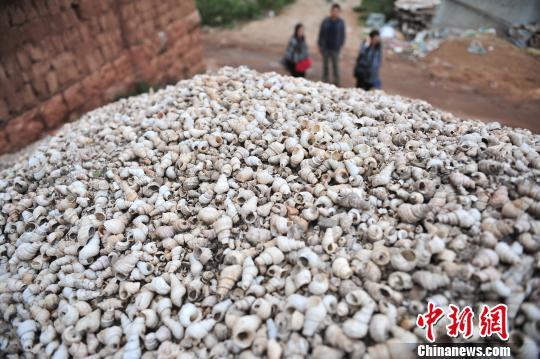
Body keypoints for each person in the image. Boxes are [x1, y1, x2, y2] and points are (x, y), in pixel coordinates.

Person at [318, 3, 346, 86]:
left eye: (337, 11)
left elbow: (343, 35)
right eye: (333, 11)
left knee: (335, 66)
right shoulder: (325, 21)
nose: (335, 13)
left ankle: (337, 82)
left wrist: (341, 45)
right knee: (325, 65)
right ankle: (325, 80)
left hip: (335, 48)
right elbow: (321, 33)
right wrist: (319, 44)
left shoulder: (341, 22)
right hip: (325, 47)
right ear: (331, 11)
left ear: (339, 12)